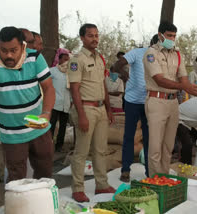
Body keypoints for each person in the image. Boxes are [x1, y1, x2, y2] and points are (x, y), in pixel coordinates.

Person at [143, 21, 197, 176]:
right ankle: (155, 180)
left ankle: (164, 177)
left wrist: (194, 88)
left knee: (168, 145)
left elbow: (183, 78)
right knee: (155, 146)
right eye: (169, 35)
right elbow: (159, 79)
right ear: (160, 34)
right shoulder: (151, 53)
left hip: (173, 102)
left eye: (174, 36)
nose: (172, 39)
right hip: (156, 101)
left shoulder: (177, 54)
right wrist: (185, 87)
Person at [0, 26, 55, 181]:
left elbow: (49, 88)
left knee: (45, 175)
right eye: (3, 50)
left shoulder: (35, 58)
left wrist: (46, 113)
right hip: (12, 134)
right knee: (16, 180)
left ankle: (43, 204)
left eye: (13, 50)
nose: (8, 55)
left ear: (23, 46)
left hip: (39, 128)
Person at [67, 23, 115, 203]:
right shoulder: (76, 60)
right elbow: (74, 89)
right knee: (81, 151)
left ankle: (101, 184)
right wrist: (81, 115)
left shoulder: (100, 58)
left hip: (101, 108)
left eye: (96, 35)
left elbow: (103, 84)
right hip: (85, 108)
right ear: (82, 38)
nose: (94, 38)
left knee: (100, 150)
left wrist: (109, 109)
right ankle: (78, 188)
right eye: (90, 35)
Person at [113, 35, 159, 182]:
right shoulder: (137, 53)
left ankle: (149, 172)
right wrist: (123, 73)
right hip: (132, 101)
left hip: (150, 102)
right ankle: (125, 170)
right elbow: (115, 66)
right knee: (129, 136)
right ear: (152, 43)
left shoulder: (161, 58)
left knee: (149, 137)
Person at [50, 50, 71, 152]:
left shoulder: (70, 73)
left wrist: (71, 101)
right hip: (54, 103)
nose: (67, 61)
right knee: (51, 126)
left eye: (68, 60)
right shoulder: (52, 71)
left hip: (66, 104)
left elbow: (72, 89)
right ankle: (48, 146)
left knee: (63, 127)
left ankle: (59, 146)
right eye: (65, 59)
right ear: (59, 60)